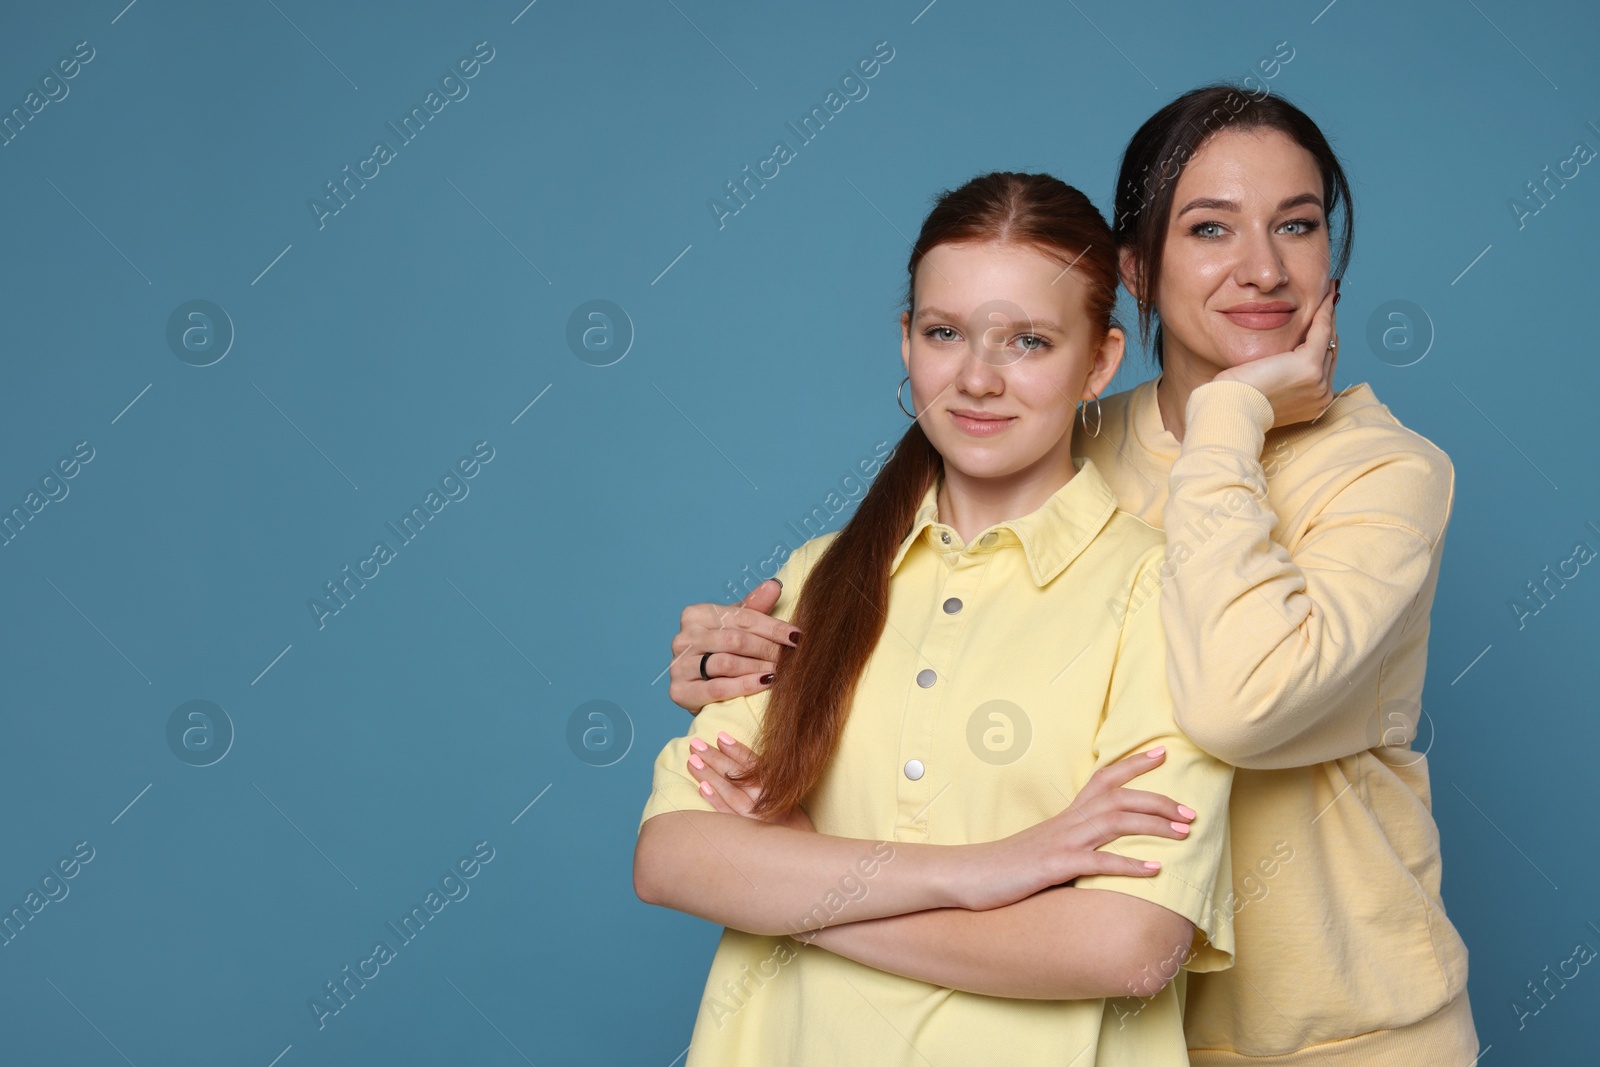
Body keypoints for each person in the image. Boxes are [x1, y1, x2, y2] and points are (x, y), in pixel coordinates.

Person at [667, 85, 1479, 1065]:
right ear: (1135, 267)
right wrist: (743, 656)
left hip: (1337, 1034)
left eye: (1297, 226)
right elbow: (914, 614)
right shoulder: (1061, 430)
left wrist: (804, 904)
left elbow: (1235, 703)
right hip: (1103, 1025)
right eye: (1210, 227)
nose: (1262, 267)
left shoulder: (1385, 473)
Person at [635, 170, 1236, 1066]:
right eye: (944, 331)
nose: (978, 378)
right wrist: (992, 869)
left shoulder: (1165, 595)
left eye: (1029, 340)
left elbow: (1128, 944)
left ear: (1100, 363)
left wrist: (808, 895)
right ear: (906, 341)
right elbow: (677, 856)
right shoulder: (819, 574)